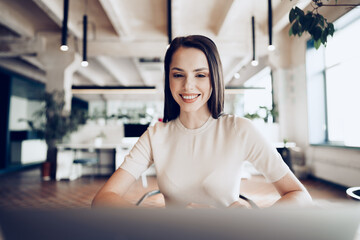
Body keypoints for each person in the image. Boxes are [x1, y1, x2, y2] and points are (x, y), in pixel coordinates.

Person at [92, 35, 312, 208]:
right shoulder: (155, 135)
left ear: (214, 78)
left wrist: (254, 223)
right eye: (178, 75)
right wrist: (158, 224)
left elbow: (300, 196)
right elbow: (103, 199)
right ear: (168, 79)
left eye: (200, 75)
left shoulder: (239, 130)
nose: (188, 86)